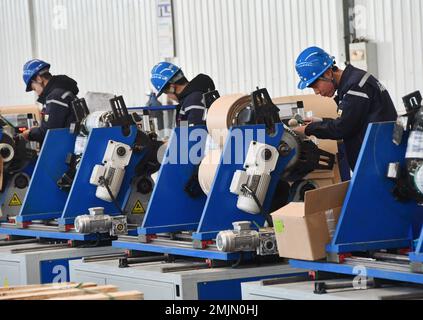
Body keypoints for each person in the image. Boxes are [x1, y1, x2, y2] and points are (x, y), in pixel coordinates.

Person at [293, 46, 398, 170]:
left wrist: (307, 129)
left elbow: (343, 128)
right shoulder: (354, 82)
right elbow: (352, 121)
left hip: (377, 161)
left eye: (315, 85)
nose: (316, 92)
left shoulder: (356, 87)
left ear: (328, 73)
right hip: (377, 157)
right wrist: (320, 121)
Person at [21, 59, 79, 144]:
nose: (36, 93)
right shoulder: (63, 92)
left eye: (34, 88)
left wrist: (30, 134)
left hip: (64, 148)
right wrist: (38, 129)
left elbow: (49, 132)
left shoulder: (55, 97)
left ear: (39, 79)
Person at [151, 62, 216, 126]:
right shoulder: (188, 101)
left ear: (172, 87)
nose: (168, 97)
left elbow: (195, 133)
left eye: (165, 92)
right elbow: (185, 131)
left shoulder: (193, 101)